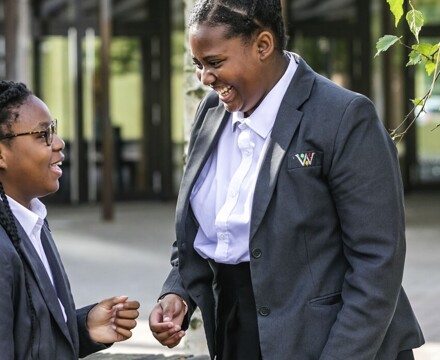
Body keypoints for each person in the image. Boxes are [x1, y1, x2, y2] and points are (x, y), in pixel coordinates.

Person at [148, 0, 425, 359]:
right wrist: (177, 292)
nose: (205, 78)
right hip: (238, 333)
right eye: (198, 65)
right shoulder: (211, 112)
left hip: (335, 341)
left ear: (263, 45)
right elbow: (206, 230)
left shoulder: (343, 116)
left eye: (215, 63)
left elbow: (378, 261)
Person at [0, 80, 140, 359]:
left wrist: (83, 328)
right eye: (43, 135)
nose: (59, 143)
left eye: (54, 130)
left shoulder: (31, 221)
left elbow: (29, 335)